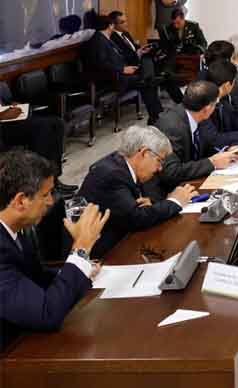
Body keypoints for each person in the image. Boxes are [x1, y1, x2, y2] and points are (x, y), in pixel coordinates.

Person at [0, 149, 110, 348]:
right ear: (20, 201)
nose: (51, 201)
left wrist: (81, 269)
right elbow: (46, 314)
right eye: (46, 194)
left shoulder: (15, 229)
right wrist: (80, 250)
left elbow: (32, 276)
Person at [77, 126, 196, 258]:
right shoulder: (112, 174)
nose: (160, 168)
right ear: (144, 153)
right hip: (100, 254)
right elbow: (136, 218)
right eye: (159, 160)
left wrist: (151, 204)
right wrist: (174, 202)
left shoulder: (121, 165)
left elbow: (132, 210)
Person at [153, 81, 238, 192]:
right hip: (167, 193)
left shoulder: (197, 115)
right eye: (216, 104)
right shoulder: (172, 128)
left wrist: (225, 150)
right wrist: (212, 163)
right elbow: (171, 172)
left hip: (191, 183)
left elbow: (206, 143)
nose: (216, 108)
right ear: (207, 109)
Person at [82, 15, 165, 124]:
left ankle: (156, 114)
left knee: (147, 76)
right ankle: (156, 115)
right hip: (112, 79)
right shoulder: (98, 40)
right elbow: (101, 63)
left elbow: (117, 57)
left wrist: (127, 67)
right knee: (145, 81)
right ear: (110, 25)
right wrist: (122, 69)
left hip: (120, 73)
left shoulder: (104, 39)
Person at [0, 94, 75, 195]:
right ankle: (42, 184)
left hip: (8, 121)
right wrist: (4, 114)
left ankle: (54, 179)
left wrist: (11, 106)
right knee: (42, 128)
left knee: (57, 123)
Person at [110, 10, 183, 104]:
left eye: (126, 21)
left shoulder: (126, 34)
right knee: (151, 78)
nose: (126, 24)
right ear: (114, 25)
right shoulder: (112, 37)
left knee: (166, 74)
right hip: (132, 68)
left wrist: (143, 49)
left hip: (142, 63)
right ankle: (158, 113)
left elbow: (135, 49)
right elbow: (121, 57)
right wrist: (138, 53)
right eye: (122, 22)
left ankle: (183, 103)